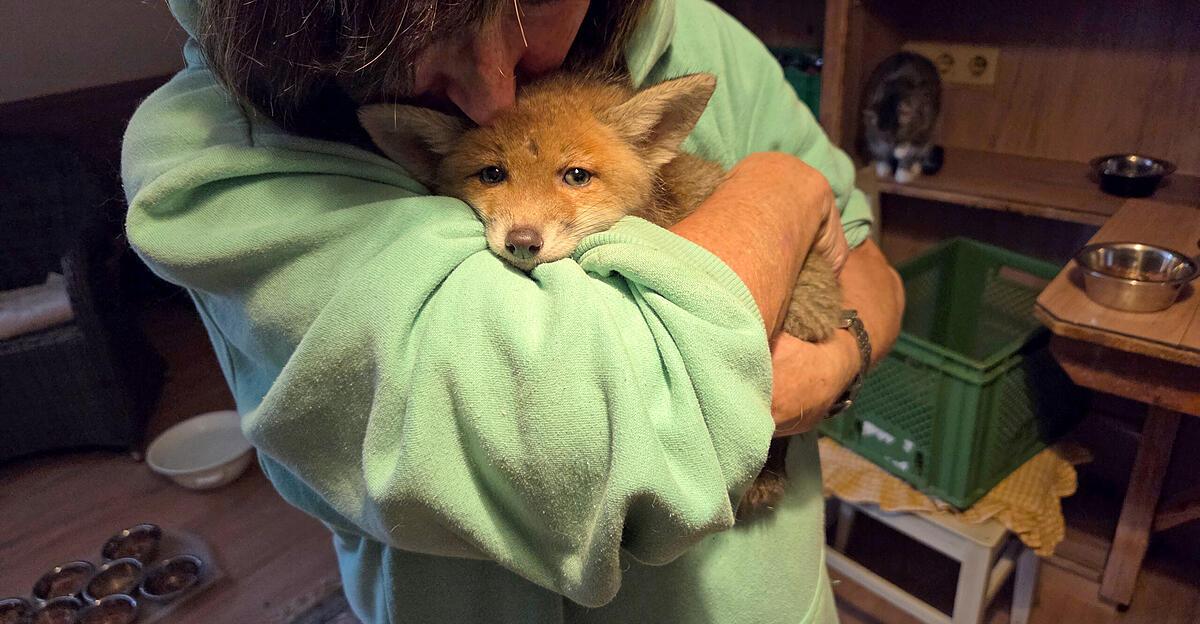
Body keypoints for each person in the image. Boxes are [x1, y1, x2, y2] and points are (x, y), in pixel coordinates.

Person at [123, 0, 904, 621]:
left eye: (530, 2)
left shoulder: (702, 33)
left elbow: (870, 269)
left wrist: (838, 362)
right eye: (416, 19)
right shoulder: (215, 166)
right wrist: (780, 191)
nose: (493, 93)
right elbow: (597, 459)